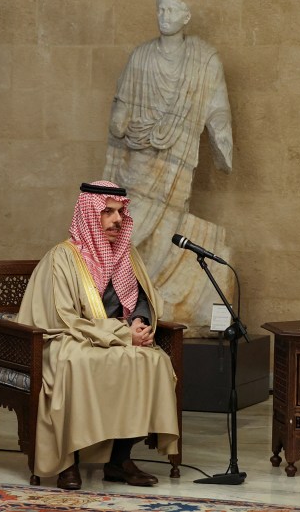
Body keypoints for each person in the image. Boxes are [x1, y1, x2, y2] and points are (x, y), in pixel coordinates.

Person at [17, 181, 180, 490]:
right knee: (77, 365)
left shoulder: (125, 256)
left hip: (117, 338)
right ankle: (69, 461)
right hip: (67, 339)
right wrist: (122, 334)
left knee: (153, 362)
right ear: (90, 215)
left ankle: (120, 459)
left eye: (120, 212)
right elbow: (64, 318)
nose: (117, 220)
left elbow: (141, 298)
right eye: (107, 212)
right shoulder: (62, 258)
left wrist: (141, 324)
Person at [103, 0, 235, 336]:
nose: (165, 16)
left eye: (173, 10)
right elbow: (122, 103)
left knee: (170, 220)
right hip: (138, 158)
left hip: (176, 158)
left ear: (186, 17)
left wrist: (222, 136)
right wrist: (120, 119)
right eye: (161, 10)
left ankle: (155, 296)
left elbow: (217, 104)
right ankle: (130, 299)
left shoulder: (205, 58)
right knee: (132, 226)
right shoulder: (141, 56)